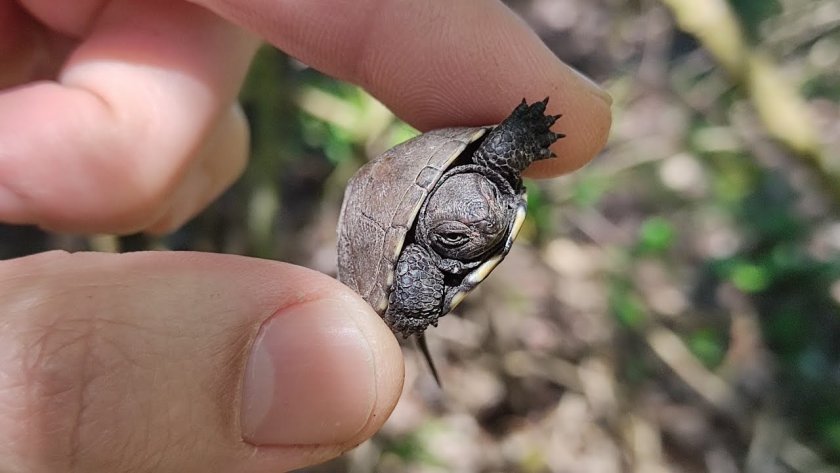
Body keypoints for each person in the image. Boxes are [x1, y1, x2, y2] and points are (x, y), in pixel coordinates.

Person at [0, 1, 612, 471]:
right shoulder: (424, 260)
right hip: (392, 242)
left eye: (475, 222)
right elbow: (414, 281)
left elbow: (507, 144)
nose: (480, 225)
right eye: (455, 234)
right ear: (436, 236)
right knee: (414, 304)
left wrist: (524, 134)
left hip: (456, 183)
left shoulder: (490, 168)